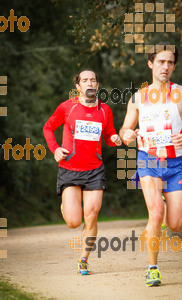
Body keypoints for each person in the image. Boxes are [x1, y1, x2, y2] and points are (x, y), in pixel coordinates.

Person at [119, 42, 182, 286]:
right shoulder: (137, 98)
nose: (165, 66)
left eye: (170, 63)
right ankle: (152, 268)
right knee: (156, 213)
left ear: (174, 67)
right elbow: (125, 128)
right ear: (150, 64)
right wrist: (127, 135)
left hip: (176, 164)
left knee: (174, 224)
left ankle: (164, 204)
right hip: (149, 160)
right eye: (161, 62)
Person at [43, 69, 121, 275]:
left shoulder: (104, 110)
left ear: (97, 85)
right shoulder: (67, 108)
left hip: (94, 170)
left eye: (93, 80)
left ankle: (83, 260)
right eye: (84, 80)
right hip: (69, 170)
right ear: (77, 86)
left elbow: (109, 134)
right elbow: (48, 128)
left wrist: (114, 139)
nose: (89, 83)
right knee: (73, 222)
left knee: (92, 215)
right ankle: (67, 208)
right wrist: (55, 149)